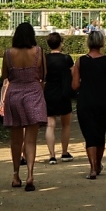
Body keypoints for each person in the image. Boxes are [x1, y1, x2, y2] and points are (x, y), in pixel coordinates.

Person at [1, 22, 47, 191]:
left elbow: (5, 76)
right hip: (34, 94)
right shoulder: (39, 52)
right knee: (31, 140)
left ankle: (15, 175)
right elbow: (43, 75)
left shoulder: (8, 54)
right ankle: (30, 174)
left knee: (15, 140)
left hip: (14, 95)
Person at [72, 31, 106, 179]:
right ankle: (98, 163)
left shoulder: (80, 61)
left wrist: (85, 84)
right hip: (103, 100)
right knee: (100, 133)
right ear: (101, 43)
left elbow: (74, 85)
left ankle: (92, 167)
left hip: (86, 100)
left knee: (89, 134)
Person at [43, 32, 74, 165]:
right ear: (60, 43)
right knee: (65, 124)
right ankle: (65, 152)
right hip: (63, 92)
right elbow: (73, 74)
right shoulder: (66, 59)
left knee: (50, 125)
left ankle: (52, 155)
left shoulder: (45, 59)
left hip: (49, 93)